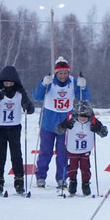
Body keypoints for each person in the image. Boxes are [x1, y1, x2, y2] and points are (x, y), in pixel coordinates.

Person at [31, 57, 90, 190]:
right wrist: (42, 85)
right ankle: (40, 176)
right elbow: (37, 96)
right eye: (60, 73)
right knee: (45, 151)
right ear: (56, 73)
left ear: (68, 72)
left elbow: (84, 99)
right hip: (48, 121)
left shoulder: (73, 82)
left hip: (66, 122)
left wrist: (83, 87)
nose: (63, 76)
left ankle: (62, 178)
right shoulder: (49, 82)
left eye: (65, 73)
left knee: (63, 152)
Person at [0, 65, 34, 195]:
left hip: (14, 128)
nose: (8, 85)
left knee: (16, 155)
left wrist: (26, 105)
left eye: (10, 83)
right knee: (0, 156)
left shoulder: (19, 93)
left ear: (15, 83)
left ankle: (19, 180)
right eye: (6, 83)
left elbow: (30, 109)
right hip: (0, 128)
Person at [56, 100, 108, 196]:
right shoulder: (70, 120)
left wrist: (98, 129)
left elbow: (104, 133)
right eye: (81, 116)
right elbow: (58, 129)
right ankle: (72, 182)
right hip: (72, 149)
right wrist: (64, 126)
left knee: (85, 167)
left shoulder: (93, 121)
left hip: (85, 149)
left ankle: (86, 184)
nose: (83, 119)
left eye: (86, 117)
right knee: (72, 167)